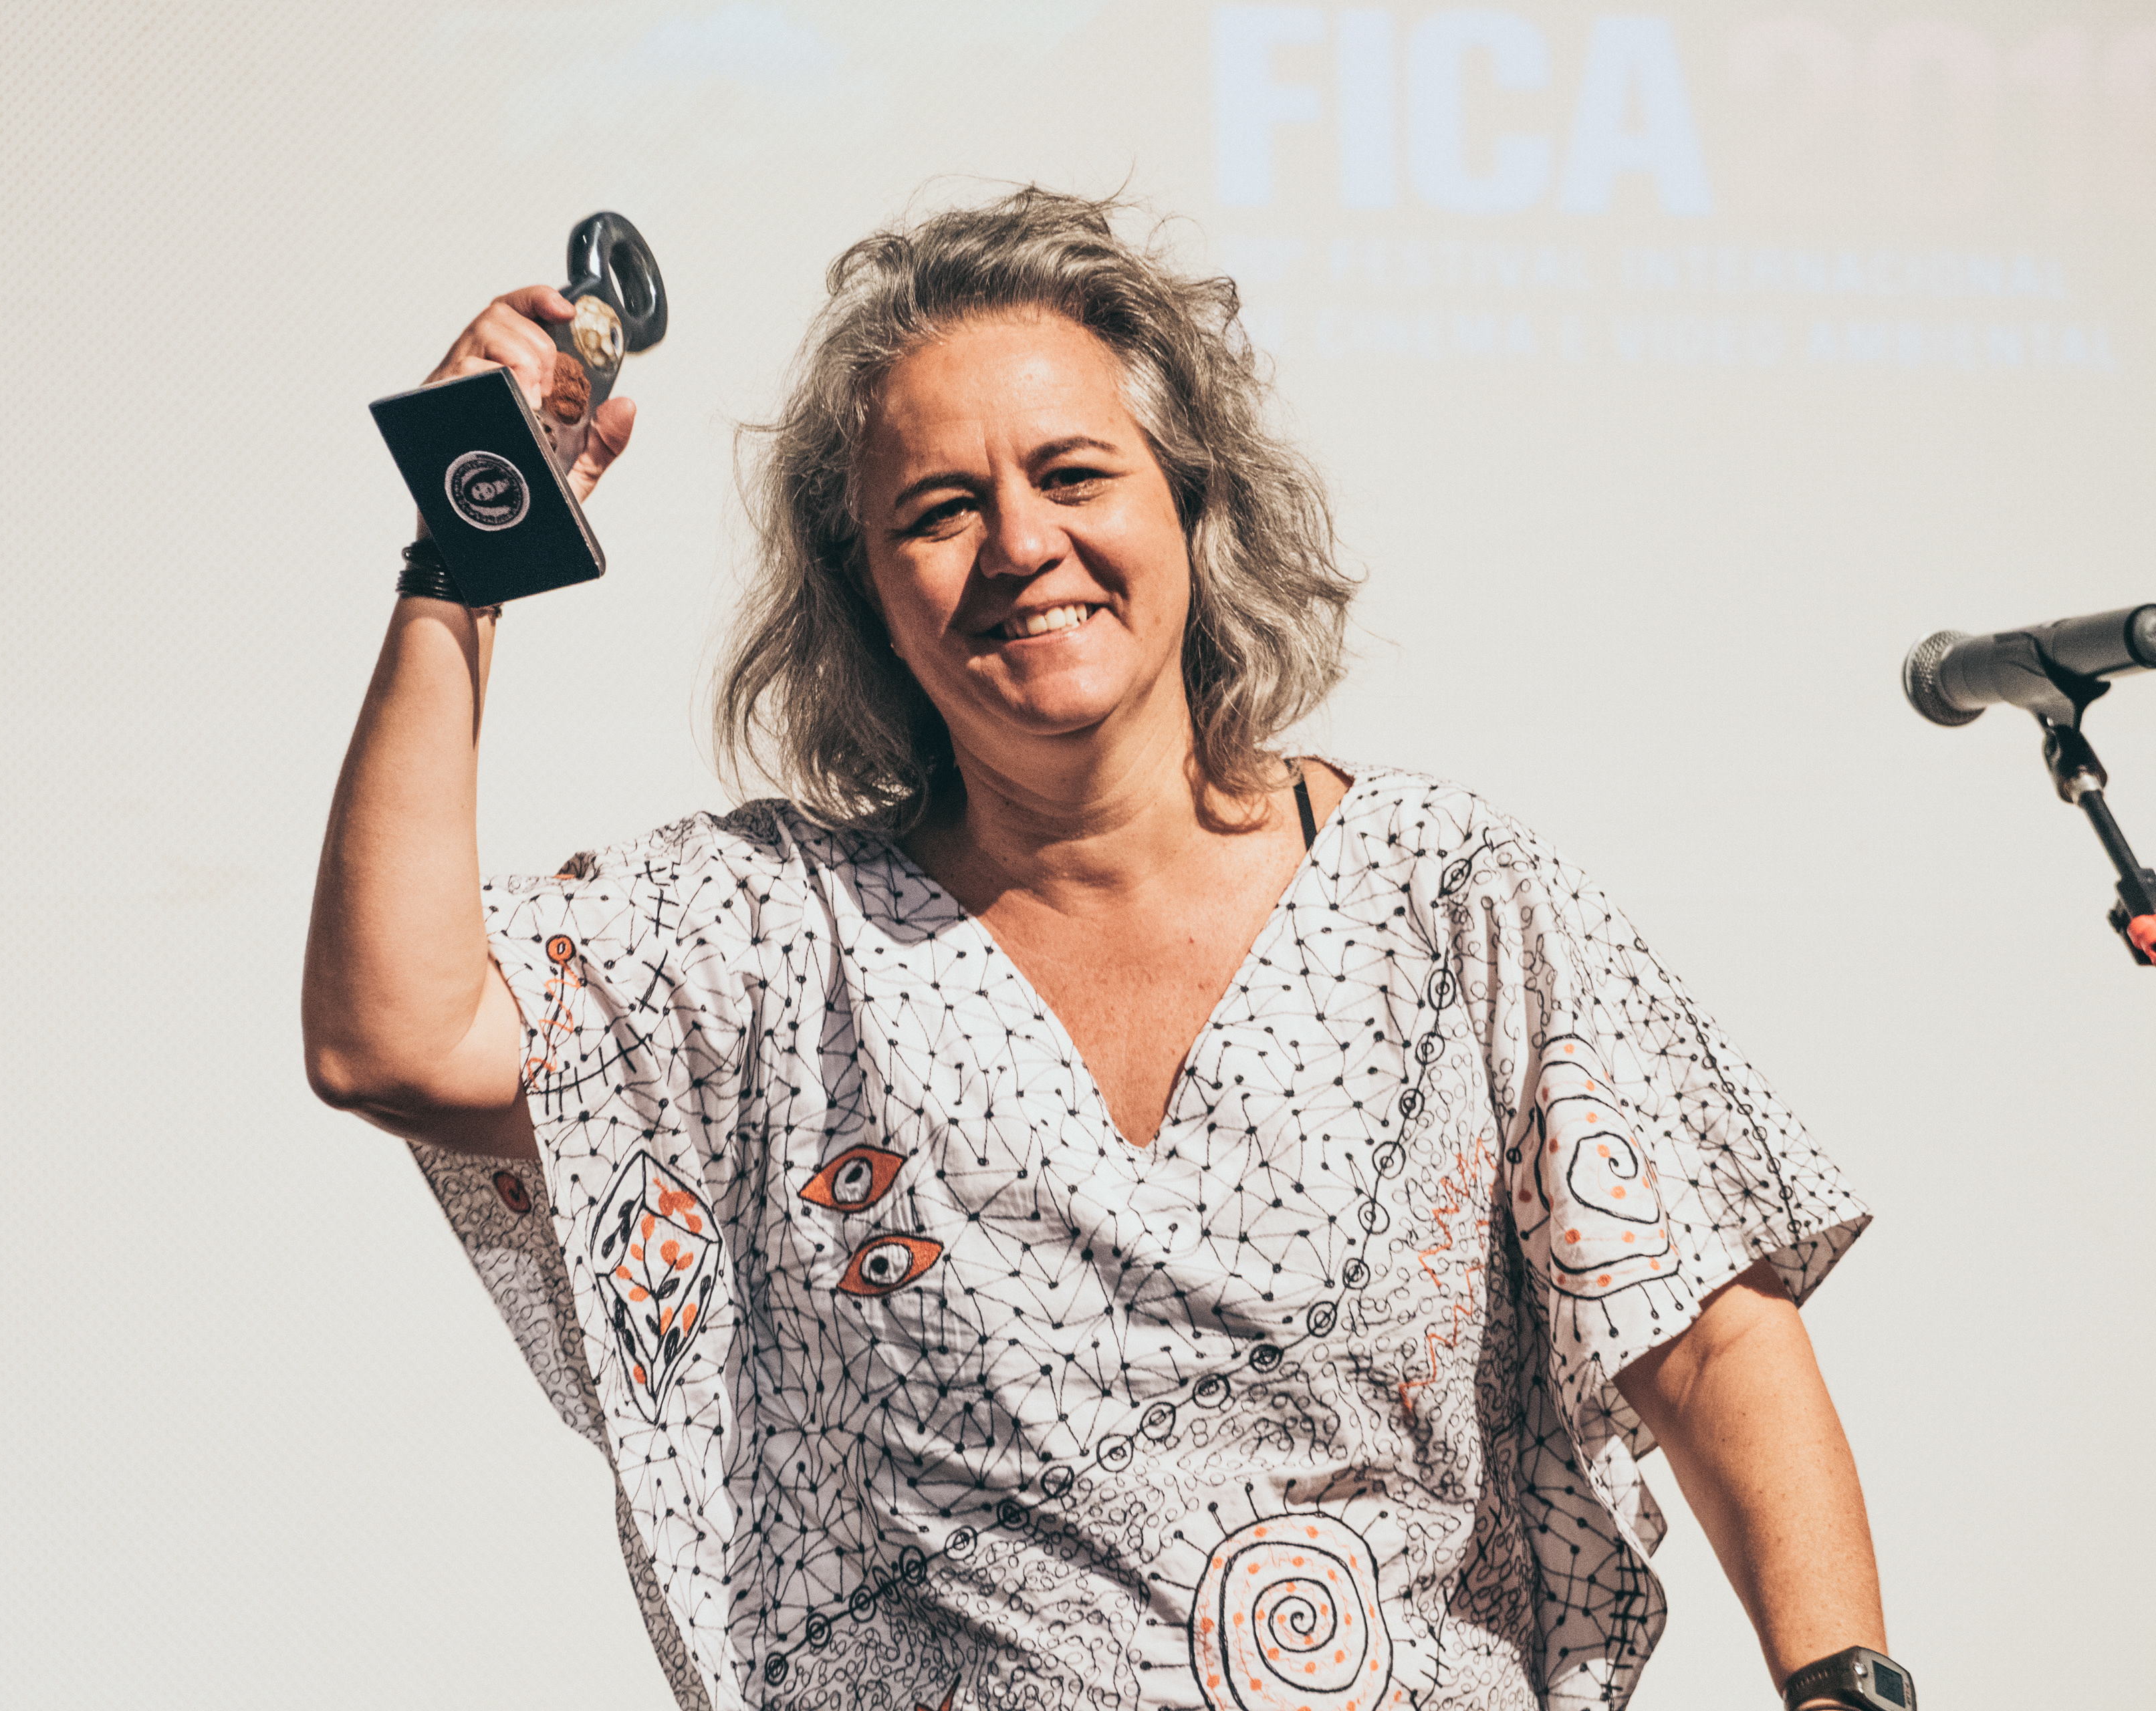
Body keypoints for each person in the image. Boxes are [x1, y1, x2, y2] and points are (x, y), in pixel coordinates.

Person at [303, 189, 1898, 1711]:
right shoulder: (780, 938)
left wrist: (1844, 1688)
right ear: (867, 592)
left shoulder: (1447, 893)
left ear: (1191, 504)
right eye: (939, 510)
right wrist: (466, 543)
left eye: (1073, 475)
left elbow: (1712, 1333)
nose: (1019, 543)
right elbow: (397, 1033)